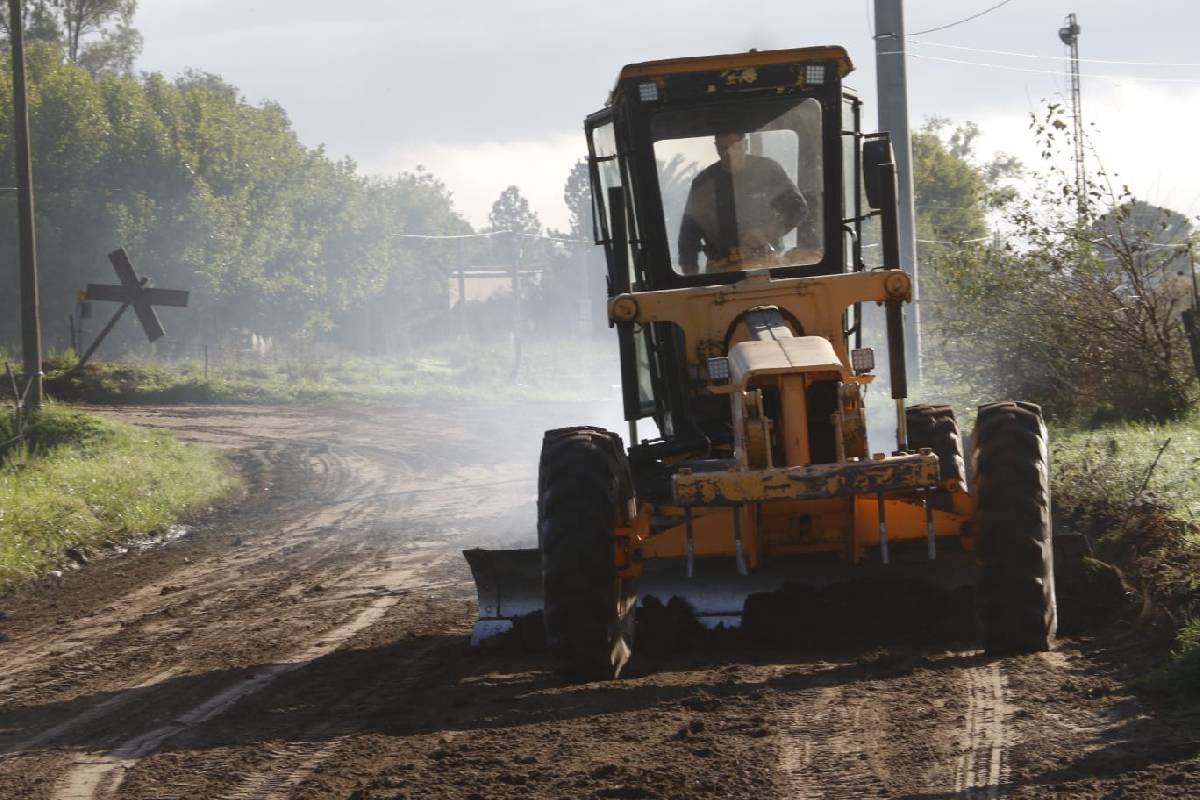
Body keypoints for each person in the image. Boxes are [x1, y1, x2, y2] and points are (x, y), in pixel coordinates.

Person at [677, 132, 808, 274]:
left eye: (735, 147)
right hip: (721, 272)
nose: (729, 154)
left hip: (768, 265)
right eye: (723, 148)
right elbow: (689, 231)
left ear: (746, 145)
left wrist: (766, 232)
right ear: (716, 147)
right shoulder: (704, 183)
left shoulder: (768, 170)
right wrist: (689, 272)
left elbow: (798, 208)